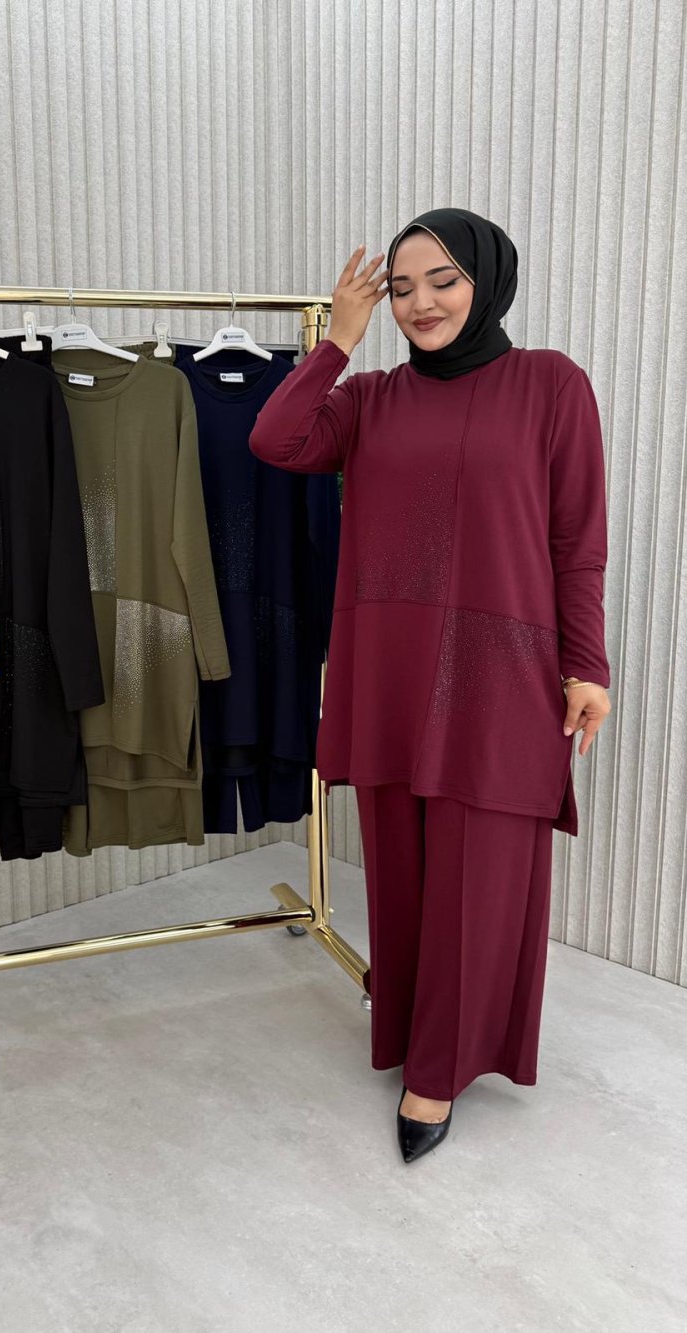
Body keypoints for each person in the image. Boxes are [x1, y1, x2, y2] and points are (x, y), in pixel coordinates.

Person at [250, 208, 611, 1163]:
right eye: (402, 288)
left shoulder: (550, 384)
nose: (420, 303)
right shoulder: (369, 399)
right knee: (405, 876)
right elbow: (276, 440)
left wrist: (588, 665)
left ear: (487, 280)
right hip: (392, 668)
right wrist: (338, 339)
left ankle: (440, 1070)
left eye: (442, 280)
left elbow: (576, 539)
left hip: (504, 670)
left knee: (480, 875)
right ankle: (413, 1028)